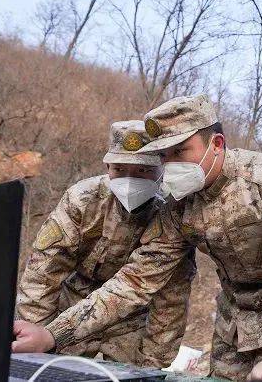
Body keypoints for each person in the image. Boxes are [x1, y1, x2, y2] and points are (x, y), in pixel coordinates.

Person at [133, 94, 262, 382]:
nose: (170, 165)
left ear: (216, 144)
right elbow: (136, 278)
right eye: (163, 156)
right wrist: (56, 332)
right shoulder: (179, 205)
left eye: (180, 151)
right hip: (232, 328)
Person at [13, 120, 195, 368]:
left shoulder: (171, 215)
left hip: (132, 316)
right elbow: (44, 272)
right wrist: (34, 341)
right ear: (108, 166)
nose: (130, 180)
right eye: (120, 169)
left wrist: (152, 364)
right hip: (71, 308)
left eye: (143, 171)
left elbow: (171, 300)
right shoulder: (83, 200)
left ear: (161, 170)